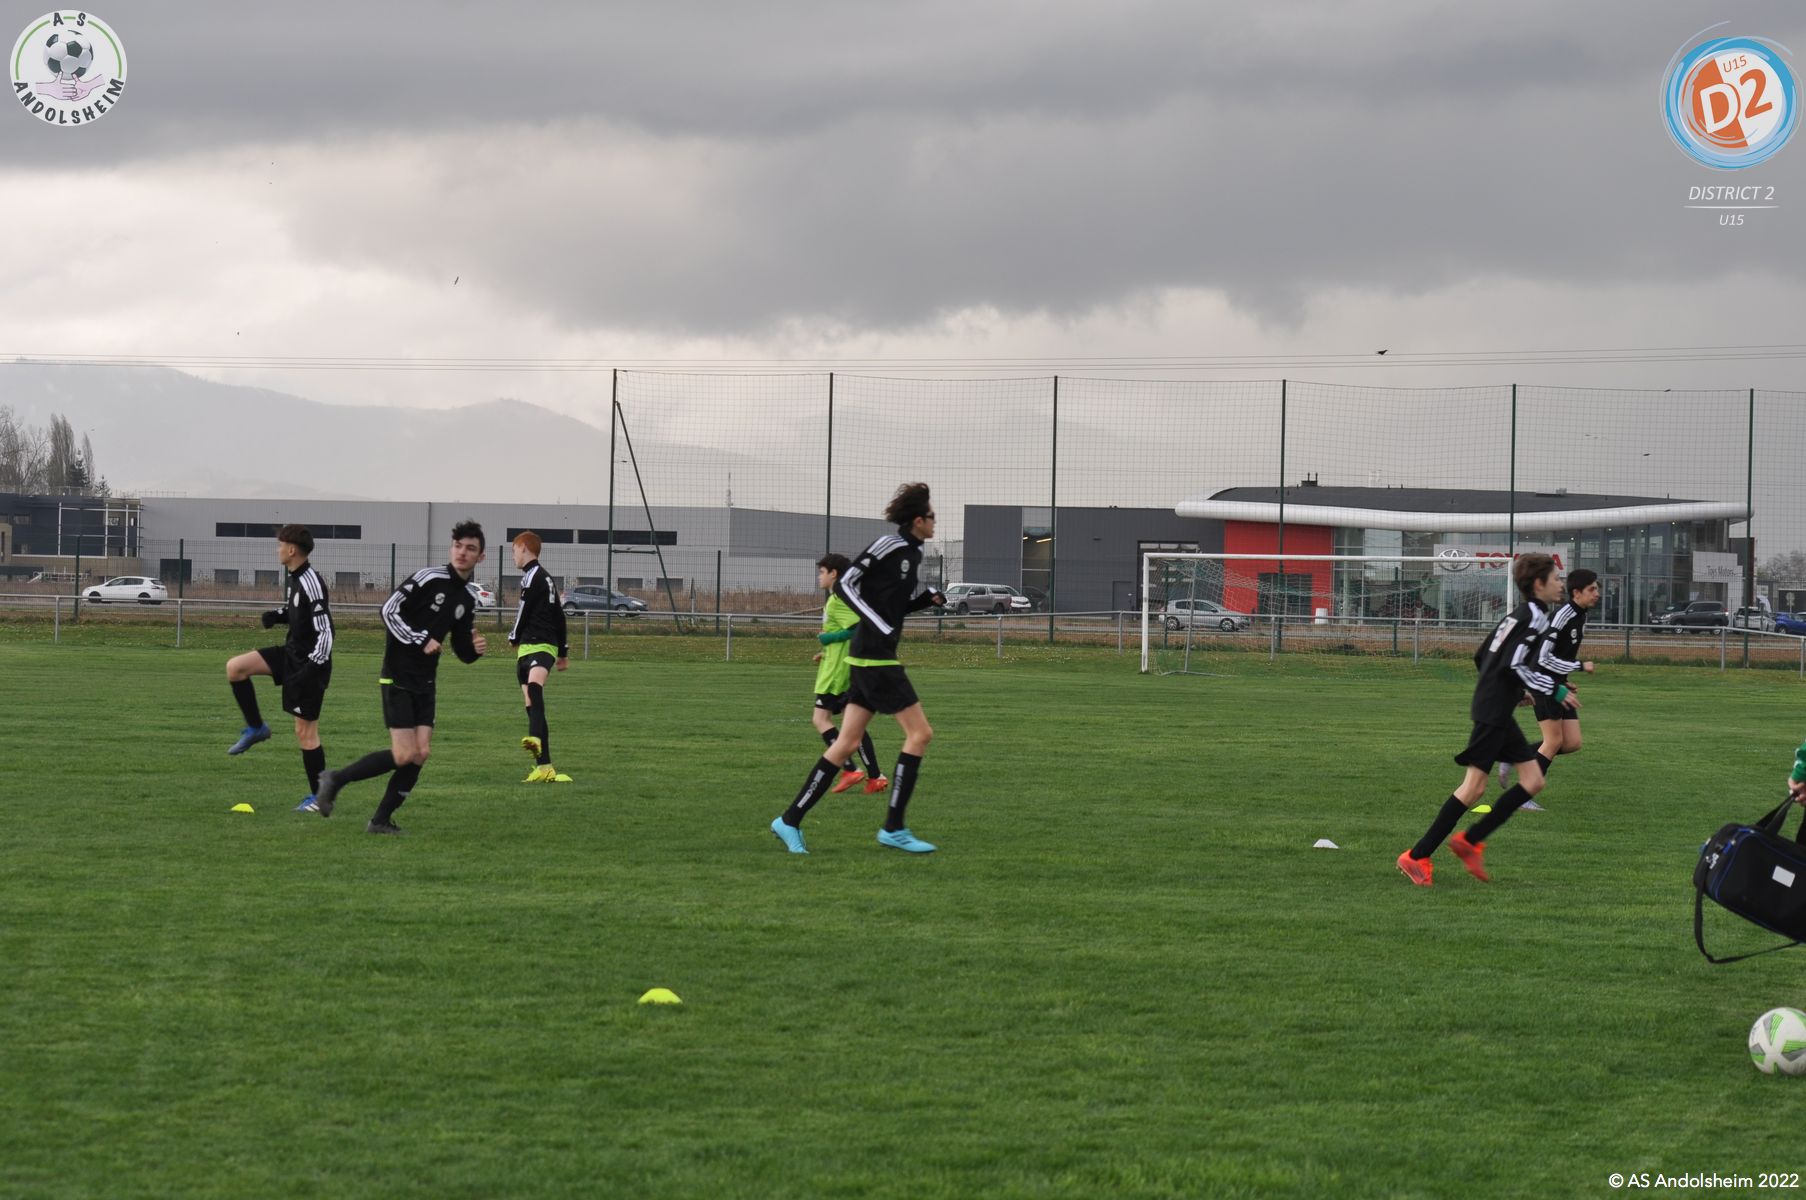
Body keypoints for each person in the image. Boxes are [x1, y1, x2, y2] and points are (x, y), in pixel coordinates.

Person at [771, 483, 946, 855]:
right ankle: (894, 828)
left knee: (846, 744)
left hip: (872, 656)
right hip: (875, 658)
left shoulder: (913, 554)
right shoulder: (888, 545)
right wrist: (876, 623)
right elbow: (846, 585)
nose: (935, 522)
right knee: (920, 734)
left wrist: (924, 602)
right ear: (918, 520)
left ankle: (789, 820)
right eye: (932, 516)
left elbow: (891, 608)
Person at [1397, 552, 1578, 885]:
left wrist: (1513, 692)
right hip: (1493, 712)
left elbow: (1483, 657)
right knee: (1473, 788)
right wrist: (1554, 690)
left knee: (1532, 782)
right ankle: (1421, 855)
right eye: (1555, 578)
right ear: (1539, 584)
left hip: (1495, 708)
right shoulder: (1535, 618)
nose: (1560, 584)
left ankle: (1466, 843)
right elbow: (1514, 665)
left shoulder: (1518, 615)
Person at [313, 521, 488, 834]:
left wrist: (474, 650)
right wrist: (420, 638)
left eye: (470, 548)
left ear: (480, 556)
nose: (462, 552)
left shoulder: (466, 600)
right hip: (398, 676)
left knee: (420, 754)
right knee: (405, 753)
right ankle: (335, 779)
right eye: (458, 546)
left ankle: (380, 820)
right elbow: (388, 610)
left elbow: (461, 649)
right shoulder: (429, 578)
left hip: (426, 683)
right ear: (451, 548)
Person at [223, 524, 334, 811]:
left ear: (292, 550)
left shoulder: (311, 582)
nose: (277, 549)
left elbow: (326, 632)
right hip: (290, 655)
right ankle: (256, 728)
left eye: (280, 545)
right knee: (236, 668)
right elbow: (301, 614)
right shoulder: (297, 578)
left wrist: (311, 669)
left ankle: (319, 798)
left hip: (310, 664)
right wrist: (278, 615)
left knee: (305, 733)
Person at [1498, 567, 1600, 803]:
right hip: (1544, 683)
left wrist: (1563, 678)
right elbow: (1542, 658)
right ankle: (1523, 795)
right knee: (1553, 742)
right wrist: (1579, 666)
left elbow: (1555, 654)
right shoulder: (1563, 616)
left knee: (1572, 743)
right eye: (1592, 589)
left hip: (1556, 682)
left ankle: (1513, 757)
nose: (1597, 594)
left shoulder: (1581, 614)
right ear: (1577, 592)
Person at [810, 552, 888, 795]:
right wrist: (826, 650)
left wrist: (829, 638)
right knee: (853, 723)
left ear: (834, 573)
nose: (819, 577)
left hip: (837, 672)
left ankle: (849, 768)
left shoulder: (838, 599)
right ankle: (875, 776)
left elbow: (859, 628)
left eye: (822, 572)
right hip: (840, 664)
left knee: (821, 719)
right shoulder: (844, 597)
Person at [507, 531, 572, 784]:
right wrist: (564, 652)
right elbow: (559, 616)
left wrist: (513, 634)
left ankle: (534, 738)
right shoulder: (541, 578)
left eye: (514, 550)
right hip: (526, 649)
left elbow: (523, 610)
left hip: (542, 646)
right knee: (531, 706)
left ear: (524, 548)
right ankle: (544, 768)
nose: (513, 556)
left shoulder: (536, 576)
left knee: (535, 689)